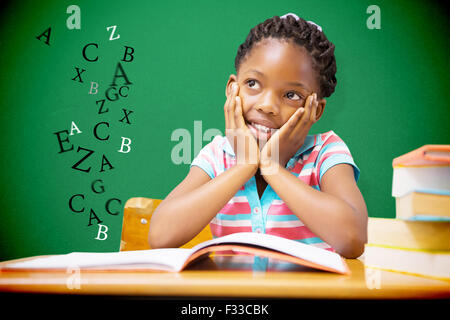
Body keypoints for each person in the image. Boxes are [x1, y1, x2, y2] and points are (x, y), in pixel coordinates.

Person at [149, 13, 368, 258]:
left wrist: (274, 168)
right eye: (253, 83)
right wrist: (244, 165)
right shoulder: (217, 156)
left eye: (291, 95)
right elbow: (159, 235)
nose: (267, 106)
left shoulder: (326, 152)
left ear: (315, 109)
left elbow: (352, 239)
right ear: (233, 89)